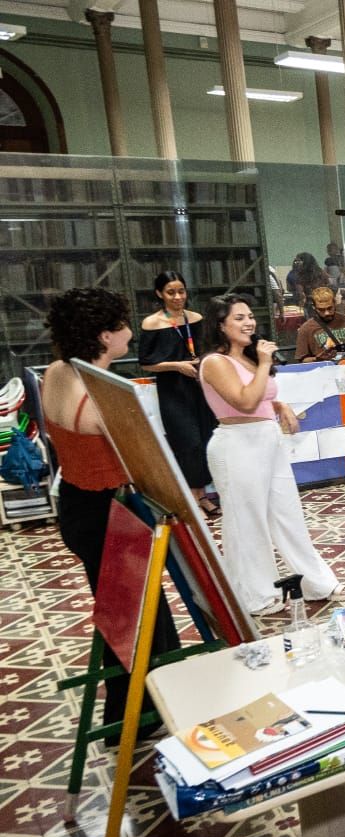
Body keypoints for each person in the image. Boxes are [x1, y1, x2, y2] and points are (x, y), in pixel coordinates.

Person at [42, 287, 182, 737]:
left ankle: (137, 711)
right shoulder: (102, 394)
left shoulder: (57, 371)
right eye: (122, 326)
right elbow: (140, 462)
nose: (129, 333)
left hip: (77, 506)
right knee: (136, 619)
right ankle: (135, 718)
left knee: (127, 613)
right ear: (104, 336)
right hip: (110, 512)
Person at [198, 293, 345, 615]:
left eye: (250, 316)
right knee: (247, 522)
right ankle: (257, 595)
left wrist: (279, 405)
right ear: (220, 325)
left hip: (268, 440)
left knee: (287, 514)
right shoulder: (214, 362)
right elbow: (243, 401)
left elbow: (259, 397)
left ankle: (317, 582)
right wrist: (265, 362)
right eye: (239, 318)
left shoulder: (248, 358)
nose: (248, 323)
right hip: (236, 445)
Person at [139, 270, 219, 518]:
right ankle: (192, 500)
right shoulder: (152, 323)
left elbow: (208, 349)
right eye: (170, 292)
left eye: (181, 291)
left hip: (199, 387)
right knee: (188, 443)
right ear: (159, 294)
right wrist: (176, 365)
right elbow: (146, 363)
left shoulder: (196, 319)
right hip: (173, 391)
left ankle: (202, 495)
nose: (177, 297)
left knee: (205, 440)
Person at [296, 286, 345, 362]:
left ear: (335, 303)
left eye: (330, 308)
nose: (327, 313)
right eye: (321, 310)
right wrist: (317, 359)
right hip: (322, 367)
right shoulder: (306, 329)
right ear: (314, 307)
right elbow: (302, 359)